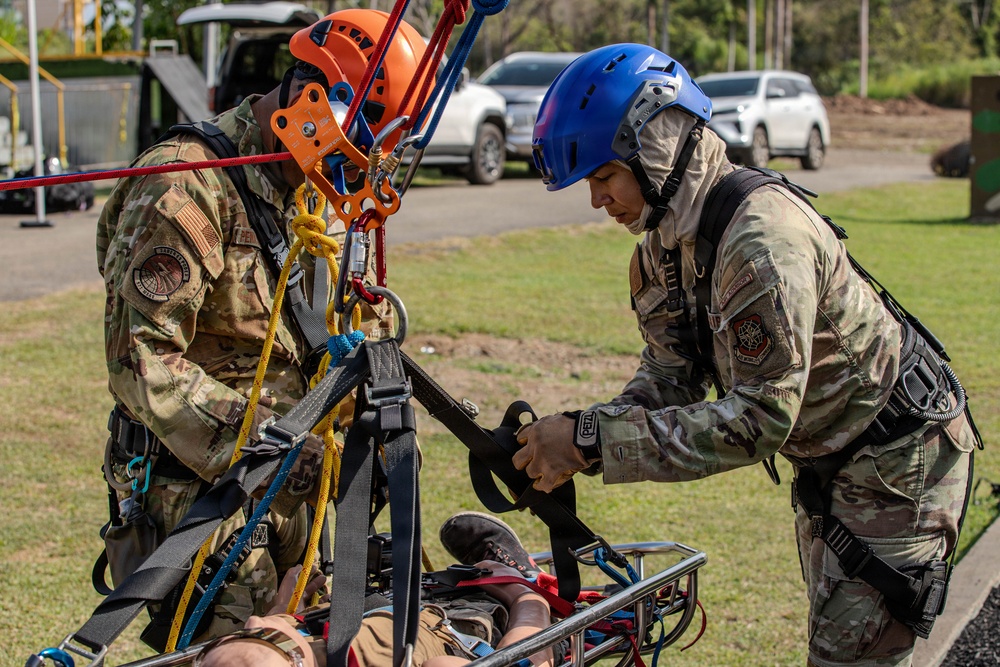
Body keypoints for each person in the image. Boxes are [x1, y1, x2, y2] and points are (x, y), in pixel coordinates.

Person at [517, 43, 979, 667]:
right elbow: (670, 373)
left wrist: (591, 441)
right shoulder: (662, 246)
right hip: (832, 457)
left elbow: (760, 420)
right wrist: (582, 433)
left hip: (897, 458)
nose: (597, 200)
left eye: (604, 177)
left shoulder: (762, 243)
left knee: (850, 657)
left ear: (656, 147)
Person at [95, 9, 431, 642]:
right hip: (206, 497)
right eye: (362, 143)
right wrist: (281, 452)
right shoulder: (185, 186)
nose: (365, 167)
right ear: (313, 99)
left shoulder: (309, 187)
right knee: (236, 654)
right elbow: (141, 364)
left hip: (291, 489)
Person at [191, 512, 554, 667]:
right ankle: (520, 574)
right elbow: (521, 660)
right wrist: (524, 597)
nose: (254, 622)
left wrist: (285, 617)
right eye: (272, 638)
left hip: (345, 616)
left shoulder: (285, 639)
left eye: (252, 631)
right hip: (459, 622)